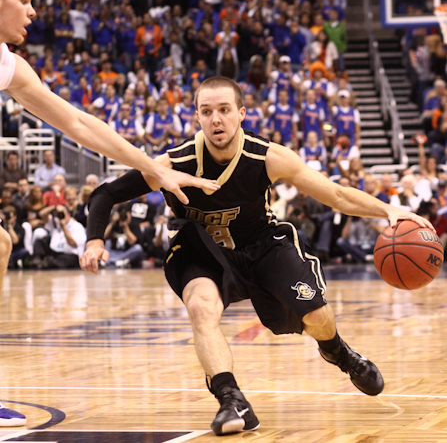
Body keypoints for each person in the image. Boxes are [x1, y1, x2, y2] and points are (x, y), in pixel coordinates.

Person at [82, 77, 433, 436]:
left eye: (224, 110)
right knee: (201, 307)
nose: (216, 119)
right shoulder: (175, 162)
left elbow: (336, 195)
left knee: (317, 314)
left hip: (262, 243)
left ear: (241, 114)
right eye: (207, 112)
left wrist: (388, 210)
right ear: (197, 118)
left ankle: (337, 351)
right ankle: (230, 399)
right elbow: (105, 194)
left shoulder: (268, 157)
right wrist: (94, 240)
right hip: (203, 249)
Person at [0, 0, 217, 426]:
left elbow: (79, 123)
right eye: (24, 0)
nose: (33, 11)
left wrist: (153, 168)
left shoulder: (8, 64)